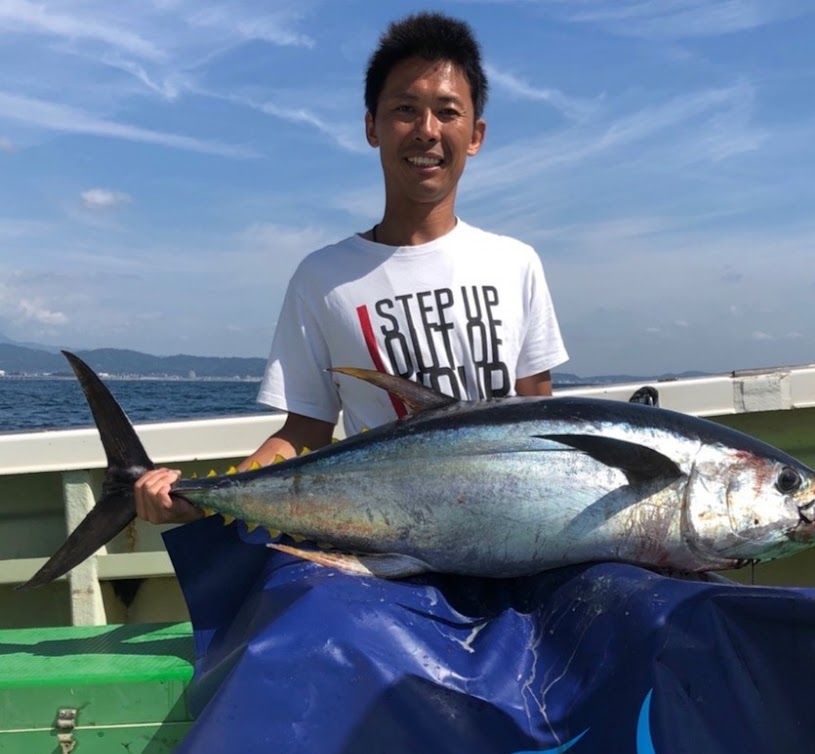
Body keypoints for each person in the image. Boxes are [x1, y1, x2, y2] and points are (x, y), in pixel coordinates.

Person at [135, 11, 568, 526]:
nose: (427, 131)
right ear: (372, 126)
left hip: (509, 530)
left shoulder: (515, 263)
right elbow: (304, 431)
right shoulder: (323, 278)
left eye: (447, 112)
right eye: (406, 109)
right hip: (383, 538)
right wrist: (195, 498)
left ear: (474, 134)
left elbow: (538, 419)